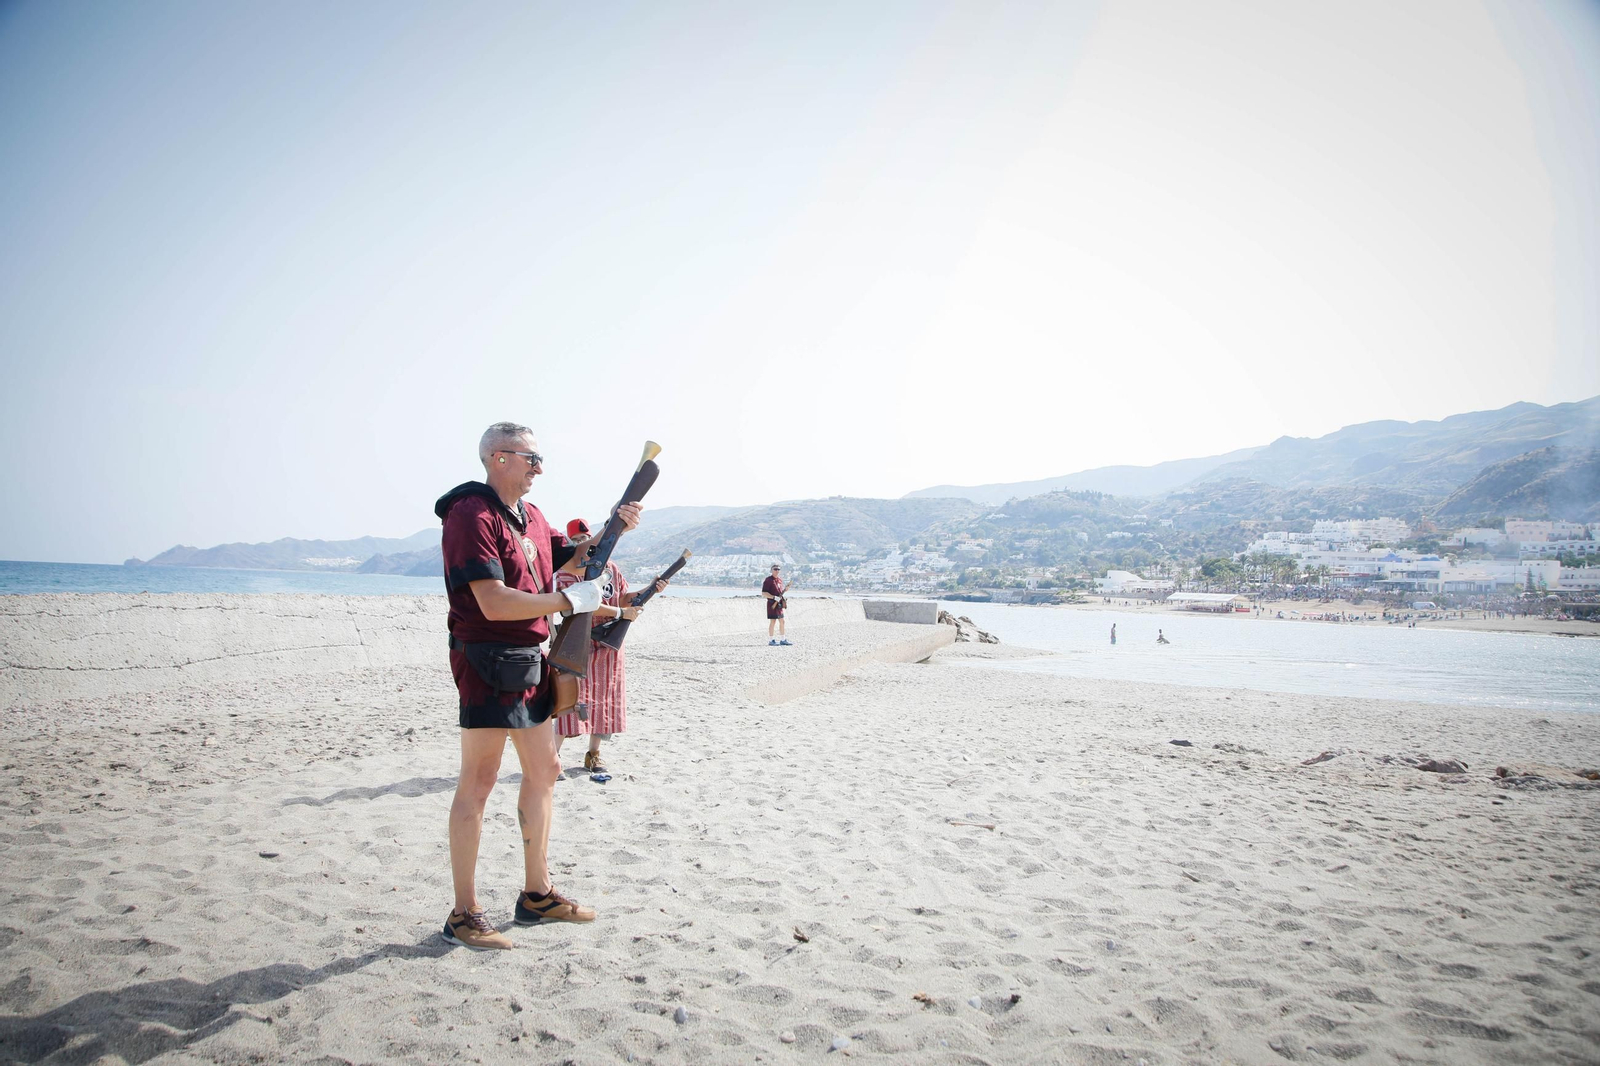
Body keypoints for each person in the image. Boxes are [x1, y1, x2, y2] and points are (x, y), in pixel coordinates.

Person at [435, 422, 643, 951]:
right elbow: (494, 601)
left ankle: (537, 893)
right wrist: (569, 603)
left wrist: (612, 528)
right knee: (479, 782)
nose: (539, 468)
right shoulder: (470, 513)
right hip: (485, 659)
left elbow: (572, 556)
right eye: (532, 458)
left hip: (531, 659)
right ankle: (464, 913)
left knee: (546, 770)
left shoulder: (532, 517)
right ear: (498, 458)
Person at [551, 517, 668, 780]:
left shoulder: (611, 568)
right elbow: (582, 604)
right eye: (577, 541)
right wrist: (621, 612)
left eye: (585, 539)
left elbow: (624, 596)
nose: (583, 544)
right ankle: (553, 757)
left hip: (609, 643)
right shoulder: (566, 571)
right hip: (577, 642)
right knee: (571, 699)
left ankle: (593, 754)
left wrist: (651, 588)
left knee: (606, 700)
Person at [761, 564, 791, 645]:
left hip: (779, 604)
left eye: (778, 569)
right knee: (773, 621)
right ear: (771, 570)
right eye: (775, 569)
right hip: (772, 604)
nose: (777, 571)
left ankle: (783, 639)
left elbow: (779, 592)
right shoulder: (768, 580)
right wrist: (773, 597)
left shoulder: (779, 580)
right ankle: (771, 640)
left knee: (782, 621)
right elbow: (764, 593)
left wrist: (785, 590)